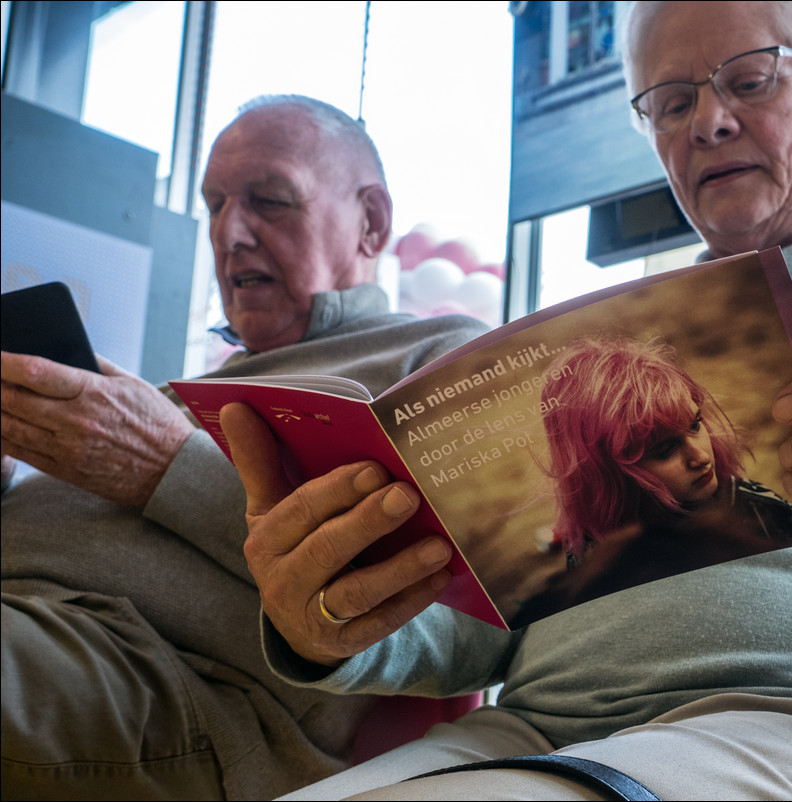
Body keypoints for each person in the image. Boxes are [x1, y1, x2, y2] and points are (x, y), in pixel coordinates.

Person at [225, 3, 792, 799]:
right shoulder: (572, 363)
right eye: (671, 103)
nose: (710, 122)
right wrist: (326, 623)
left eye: (750, 80)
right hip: (530, 735)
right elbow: (471, 645)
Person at [0, 95, 488, 800]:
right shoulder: (193, 380)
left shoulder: (437, 359)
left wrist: (165, 467)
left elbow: (452, 607)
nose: (230, 232)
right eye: (215, 204)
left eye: (270, 200)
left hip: (168, 679)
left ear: (371, 222)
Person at [510, 336, 792, 627]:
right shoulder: (590, 554)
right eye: (666, 449)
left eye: (695, 424)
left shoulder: (751, 508)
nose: (700, 456)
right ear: (610, 475)